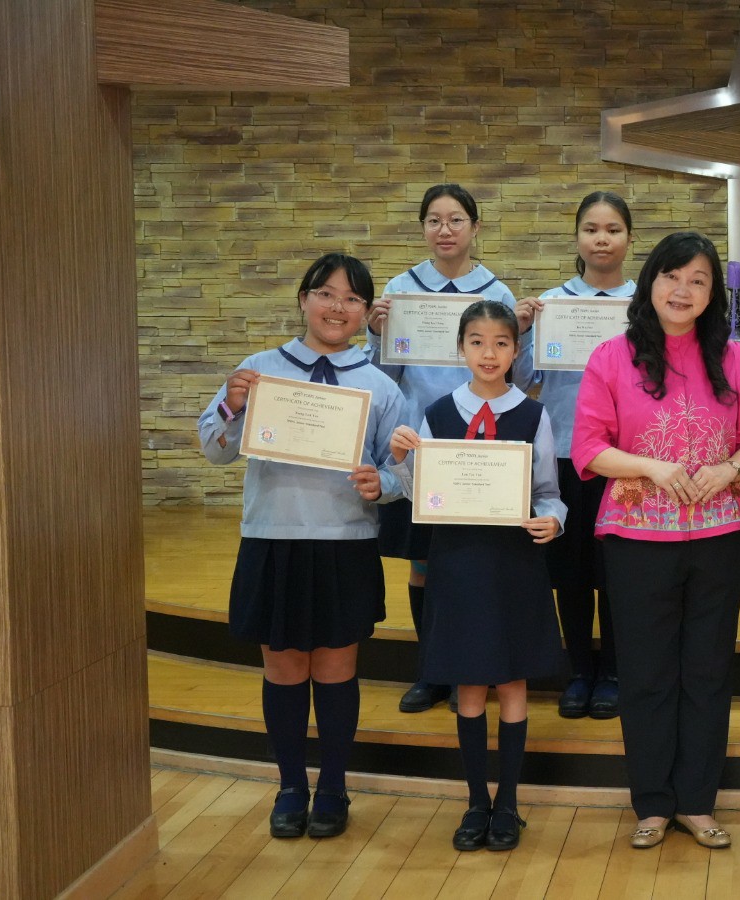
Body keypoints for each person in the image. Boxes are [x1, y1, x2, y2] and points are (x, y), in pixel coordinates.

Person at [197, 252, 405, 839]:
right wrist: (232, 405)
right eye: (325, 294)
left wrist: (384, 483)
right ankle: (290, 786)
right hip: (274, 538)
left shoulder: (380, 385)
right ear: (303, 299)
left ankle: (333, 787)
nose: (337, 307)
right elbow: (214, 449)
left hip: (345, 542)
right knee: (284, 668)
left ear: (366, 311)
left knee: (337, 668)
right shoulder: (258, 370)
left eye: (352, 298)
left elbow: (403, 469)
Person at [572, 231, 740, 850]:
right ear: (650, 282)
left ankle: (698, 802)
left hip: (720, 531)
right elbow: (588, 448)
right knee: (646, 671)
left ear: (713, 295)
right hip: (635, 535)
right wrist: (651, 468)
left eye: (698, 280)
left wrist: (729, 469)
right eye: (672, 276)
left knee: (708, 669)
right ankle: (653, 802)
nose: (683, 290)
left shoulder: (736, 358)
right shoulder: (611, 356)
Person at [386, 300, 566, 852]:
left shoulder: (533, 415)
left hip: (513, 565)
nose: (490, 354)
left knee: (511, 682)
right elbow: (420, 495)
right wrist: (402, 460)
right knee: (468, 684)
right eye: (477, 342)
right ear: (460, 348)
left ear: (516, 350)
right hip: (457, 565)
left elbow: (549, 492)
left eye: (502, 343)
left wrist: (553, 520)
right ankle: (475, 802)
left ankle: (507, 803)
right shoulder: (439, 412)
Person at [365, 183, 521, 715]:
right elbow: (385, 377)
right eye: (434, 220)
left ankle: (469, 670)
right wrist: (376, 336)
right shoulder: (399, 291)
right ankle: (432, 669)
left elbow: (510, 372)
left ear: (475, 227)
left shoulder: (497, 293)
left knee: (475, 566)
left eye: (456, 220)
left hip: (481, 447)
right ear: (423, 228)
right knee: (424, 564)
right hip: (422, 447)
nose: (445, 230)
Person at [515, 191, 636, 720]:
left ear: (628, 238)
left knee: (616, 569)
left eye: (612, 229)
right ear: (577, 238)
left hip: (627, 458)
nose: (601, 239)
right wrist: (522, 331)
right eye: (591, 229)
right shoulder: (551, 303)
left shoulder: (646, 305)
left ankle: (614, 671)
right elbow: (523, 381)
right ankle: (579, 671)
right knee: (570, 570)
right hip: (565, 454)